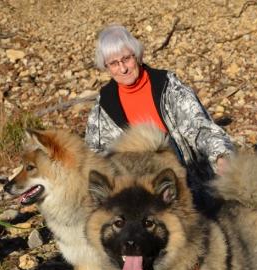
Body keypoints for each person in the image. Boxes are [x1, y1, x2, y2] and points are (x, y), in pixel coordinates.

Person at [85, 24, 233, 179]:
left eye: (126, 59)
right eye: (114, 63)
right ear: (106, 67)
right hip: (136, 190)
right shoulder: (103, 106)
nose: (123, 69)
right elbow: (94, 154)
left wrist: (220, 156)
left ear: (137, 55)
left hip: (186, 179)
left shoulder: (168, 86)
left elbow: (200, 127)